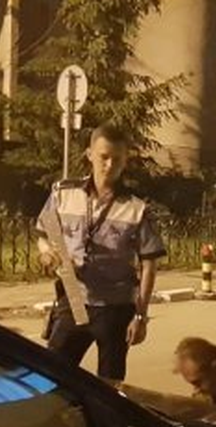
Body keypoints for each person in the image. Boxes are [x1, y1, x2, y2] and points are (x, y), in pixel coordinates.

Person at [36, 124, 166, 382]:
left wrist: (141, 316)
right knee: (53, 376)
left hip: (115, 306)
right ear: (89, 155)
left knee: (109, 385)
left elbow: (149, 264)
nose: (109, 165)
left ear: (125, 160)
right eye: (103, 157)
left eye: (117, 159)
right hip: (74, 298)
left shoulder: (136, 208)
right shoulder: (63, 194)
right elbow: (44, 234)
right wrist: (48, 254)